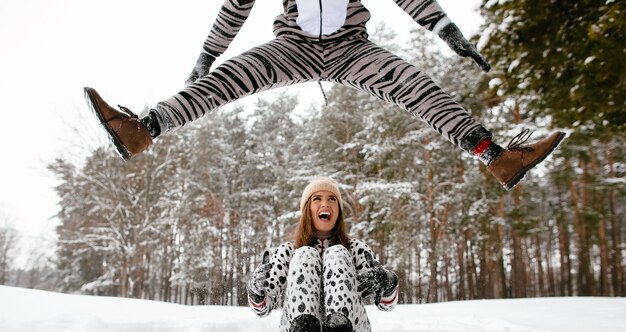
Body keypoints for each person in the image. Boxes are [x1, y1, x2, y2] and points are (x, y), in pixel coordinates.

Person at [84, 0, 566, 190]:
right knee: (229, 78)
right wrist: (205, 57)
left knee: (415, 87)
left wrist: (446, 28)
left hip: (349, 49)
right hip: (291, 47)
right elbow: (237, 5)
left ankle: (497, 156)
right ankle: (141, 130)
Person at [246, 177, 398, 332]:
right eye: (317, 198)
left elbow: (386, 304)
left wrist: (387, 283)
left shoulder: (356, 250)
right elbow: (262, 309)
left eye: (332, 199)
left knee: (337, 252)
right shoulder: (288, 252)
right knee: (304, 254)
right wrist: (256, 290)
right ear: (307, 209)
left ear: (339, 210)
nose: (325, 204)